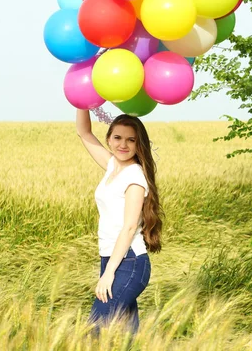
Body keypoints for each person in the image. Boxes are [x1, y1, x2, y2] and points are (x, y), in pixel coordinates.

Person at [76, 109, 163, 335]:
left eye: (130, 140)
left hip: (130, 263)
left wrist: (109, 273)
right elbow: (84, 132)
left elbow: (130, 227)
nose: (122, 144)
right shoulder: (113, 166)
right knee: (126, 335)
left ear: (138, 144)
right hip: (111, 258)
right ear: (109, 139)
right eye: (117, 138)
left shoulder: (135, 177)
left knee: (94, 329)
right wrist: (81, 100)